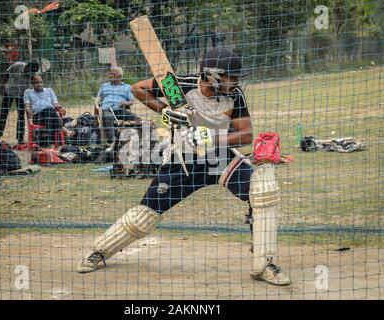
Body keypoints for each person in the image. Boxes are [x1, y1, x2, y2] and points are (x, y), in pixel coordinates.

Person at [77, 49, 290, 286]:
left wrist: (209, 137)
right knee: (145, 215)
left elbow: (246, 135)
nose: (237, 81)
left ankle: (263, 263)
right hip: (183, 160)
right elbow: (138, 88)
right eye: (232, 76)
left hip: (220, 158)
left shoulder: (235, 95)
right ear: (213, 75)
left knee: (263, 189)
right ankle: (100, 250)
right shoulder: (179, 85)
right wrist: (164, 110)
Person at [94, 66, 139, 147]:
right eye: (110, 74)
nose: (111, 76)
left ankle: (134, 138)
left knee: (136, 118)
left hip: (120, 110)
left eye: (113, 74)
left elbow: (131, 101)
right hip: (107, 109)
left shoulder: (127, 87)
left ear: (120, 76)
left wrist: (125, 102)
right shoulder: (104, 86)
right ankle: (112, 141)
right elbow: (97, 100)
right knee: (108, 117)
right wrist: (95, 118)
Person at [0, 60, 40, 144]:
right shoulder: (17, 65)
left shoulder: (33, 74)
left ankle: (20, 138)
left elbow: (35, 83)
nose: (31, 73)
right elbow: (7, 73)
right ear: (27, 66)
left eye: (33, 72)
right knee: (3, 113)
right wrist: (3, 85)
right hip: (9, 92)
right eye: (30, 70)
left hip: (21, 95)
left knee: (21, 116)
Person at [24, 75, 72, 149]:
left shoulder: (49, 90)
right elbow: (27, 107)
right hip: (37, 117)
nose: (39, 84)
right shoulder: (28, 92)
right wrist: (29, 111)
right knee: (50, 111)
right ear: (33, 84)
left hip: (50, 116)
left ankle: (51, 144)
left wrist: (60, 107)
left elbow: (55, 104)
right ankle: (63, 129)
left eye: (41, 82)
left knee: (50, 113)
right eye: (37, 82)